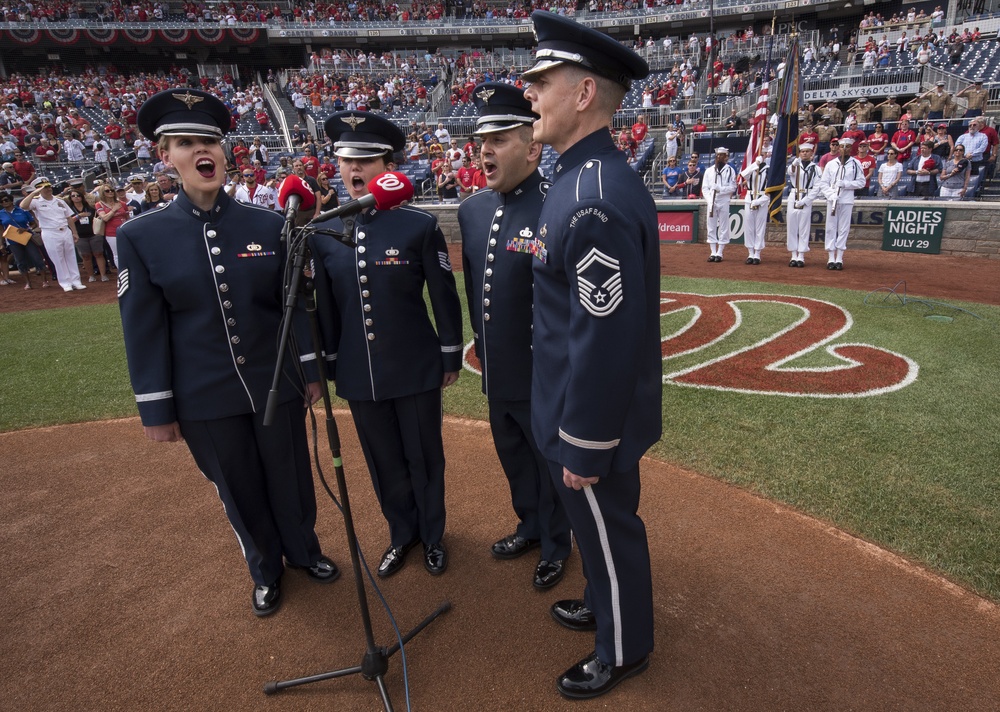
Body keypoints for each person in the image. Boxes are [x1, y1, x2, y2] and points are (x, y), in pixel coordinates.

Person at [116, 88, 339, 618]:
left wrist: (308, 372)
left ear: (225, 150)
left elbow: (293, 306)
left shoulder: (267, 226)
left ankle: (305, 552)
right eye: (186, 143)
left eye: (210, 140)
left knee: (290, 475)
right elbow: (141, 328)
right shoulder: (141, 236)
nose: (202, 152)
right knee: (237, 485)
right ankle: (265, 570)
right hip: (204, 394)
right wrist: (156, 407)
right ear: (165, 156)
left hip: (273, 380)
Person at [522, 11, 661, 699]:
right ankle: (603, 604)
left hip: (587, 416)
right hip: (569, 401)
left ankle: (625, 646)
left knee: (608, 529)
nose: (531, 94)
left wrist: (583, 441)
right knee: (595, 527)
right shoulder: (581, 179)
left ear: (582, 94)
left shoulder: (592, 197)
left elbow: (604, 338)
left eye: (542, 81)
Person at [311, 111, 463, 580]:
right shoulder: (323, 231)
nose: (354, 170)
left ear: (388, 165)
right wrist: (332, 364)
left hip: (415, 366)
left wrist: (449, 354)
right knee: (383, 463)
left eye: (366, 160)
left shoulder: (416, 225)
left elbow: (443, 294)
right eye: (345, 161)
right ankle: (402, 535)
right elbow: (326, 310)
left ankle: (433, 536)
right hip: (359, 372)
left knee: (424, 456)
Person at [458, 82, 571, 591]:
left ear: (532, 147)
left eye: (500, 137)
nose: (485, 148)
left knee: (549, 466)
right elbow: (471, 285)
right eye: (483, 137)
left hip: (542, 374)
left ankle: (555, 543)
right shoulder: (473, 210)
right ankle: (528, 526)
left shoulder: (556, 206)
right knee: (512, 454)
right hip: (496, 369)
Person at [20, 177, 83, 292]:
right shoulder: (36, 201)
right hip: (50, 232)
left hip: (65, 230)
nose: (49, 189)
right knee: (58, 258)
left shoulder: (60, 200)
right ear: (38, 189)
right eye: (45, 187)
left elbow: (68, 217)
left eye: (49, 186)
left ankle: (76, 281)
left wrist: (74, 232)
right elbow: (23, 206)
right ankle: (65, 283)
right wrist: (34, 193)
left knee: (71, 257)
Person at [819, 137, 866, 270]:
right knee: (830, 227)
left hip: (846, 200)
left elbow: (861, 182)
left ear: (851, 149)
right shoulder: (831, 164)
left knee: (843, 229)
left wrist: (846, 184)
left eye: (847, 147)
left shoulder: (855, 163)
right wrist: (830, 194)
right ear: (838, 148)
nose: (844, 149)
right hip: (832, 199)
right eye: (842, 147)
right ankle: (830, 257)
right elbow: (823, 183)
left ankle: (839, 256)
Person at [1, 190, 48, 289]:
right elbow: (1, 230)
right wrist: (1, 243)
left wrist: (26, 229)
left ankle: (44, 281)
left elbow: (33, 223)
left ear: (11, 200)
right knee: (20, 261)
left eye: (5, 200)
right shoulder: (1, 213)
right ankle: (28, 283)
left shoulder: (22, 210)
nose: (4, 202)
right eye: (1, 201)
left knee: (37, 258)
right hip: (12, 240)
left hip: (27, 237)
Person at [786, 143, 822, 268]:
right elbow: (789, 172)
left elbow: (817, 187)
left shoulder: (816, 168)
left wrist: (806, 200)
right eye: (802, 151)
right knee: (792, 227)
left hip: (806, 196)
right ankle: (793, 255)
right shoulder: (795, 165)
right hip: (794, 195)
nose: (805, 153)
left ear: (812, 153)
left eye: (807, 151)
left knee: (804, 228)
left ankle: (801, 255)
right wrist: (794, 164)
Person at [702, 146, 737, 262]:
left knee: (723, 226)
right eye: (717, 155)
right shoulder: (709, 171)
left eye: (721, 155)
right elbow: (705, 188)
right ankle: (713, 251)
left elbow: (733, 187)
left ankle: (720, 252)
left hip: (724, 200)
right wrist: (709, 199)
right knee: (711, 226)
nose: (719, 157)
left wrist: (720, 189)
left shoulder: (730, 170)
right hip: (712, 200)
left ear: (726, 157)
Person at [67, 187, 108, 283]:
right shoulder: (69, 211)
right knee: (85, 256)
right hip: (80, 236)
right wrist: (79, 216)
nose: (76, 197)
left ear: (82, 197)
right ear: (71, 198)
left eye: (78, 196)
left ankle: (103, 275)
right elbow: (68, 221)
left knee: (98, 254)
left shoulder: (90, 208)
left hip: (94, 234)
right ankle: (91, 275)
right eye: (73, 196)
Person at [739, 154, 769, 264]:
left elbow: (771, 189)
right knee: (749, 227)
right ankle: (750, 252)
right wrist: (755, 164)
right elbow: (744, 175)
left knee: (759, 227)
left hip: (762, 199)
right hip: (749, 199)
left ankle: (757, 253)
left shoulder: (768, 170)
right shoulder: (752, 168)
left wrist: (760, 201)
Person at [94, 183, 130, 269]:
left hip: (124, 231)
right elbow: (105, 218)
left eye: (112, 190)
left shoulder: (122, 203)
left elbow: (127, 217)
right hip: (111, 233)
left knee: (128, 252)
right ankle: (121, 272)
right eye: (107, 191)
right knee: (117, 254)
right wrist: (114, 210)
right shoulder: (99, 204)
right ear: (103, 193)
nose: (110, 192)